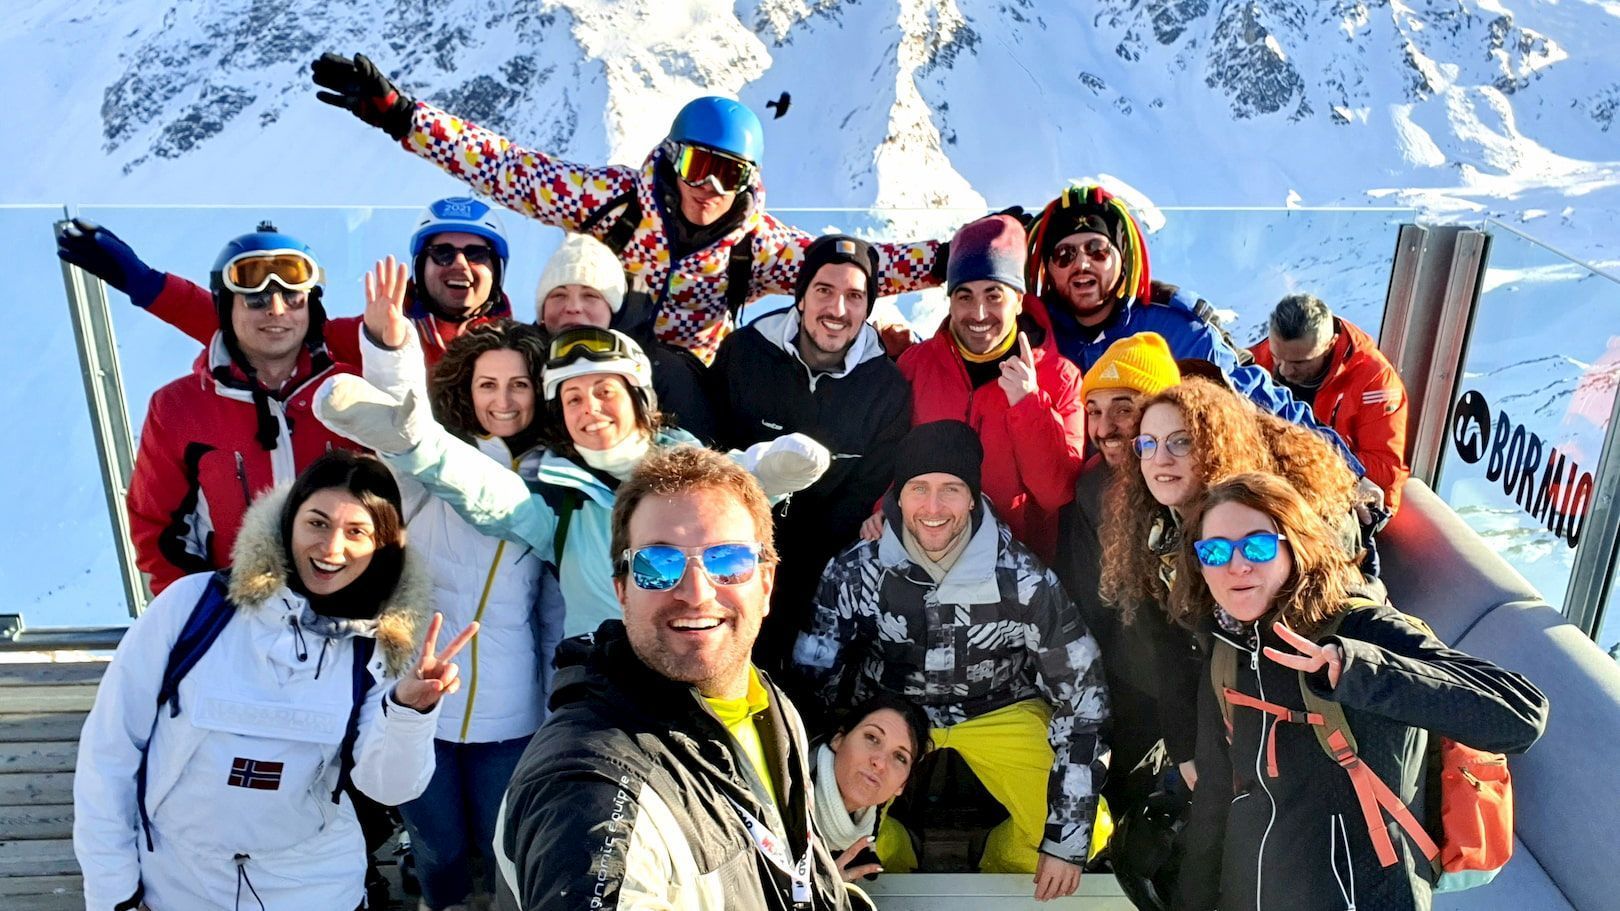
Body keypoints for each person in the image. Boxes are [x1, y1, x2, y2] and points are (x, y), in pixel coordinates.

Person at [310, 52, 944, 364]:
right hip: (587, 360)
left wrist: (959, 257)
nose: (711, 190)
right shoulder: (615, 203)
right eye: (699, 166)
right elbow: (507, 169)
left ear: (750, 182)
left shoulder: (758, 248)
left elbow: (861, 269)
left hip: (678, 381)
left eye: (731, 176)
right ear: (671, 159)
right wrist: (400, 116)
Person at [73, 450, 476, 911]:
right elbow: (109, 754)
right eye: (317, 523)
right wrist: (113, 894)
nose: (331, 549)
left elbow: (388, 788)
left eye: (357, 532)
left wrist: (410, 712)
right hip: (178, 880)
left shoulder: (381, 644)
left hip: (312, 885)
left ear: (382, 546)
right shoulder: (193, 608)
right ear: (289, 521)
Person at [494, 445, 870, 909]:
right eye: (658, 565)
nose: (696, 592)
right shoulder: (589, 789)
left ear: (766, 583)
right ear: (622, 591)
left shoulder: (765, 702)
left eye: (728, 561)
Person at [1171, 472, 1548, 911]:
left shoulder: (1363, 628)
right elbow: (1217, 796)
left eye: (1257, 546)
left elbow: (1520, 714)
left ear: (1295, 546)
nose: (1236, 566)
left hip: (1365, 893)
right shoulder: (1227, 649)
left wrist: (1358, 670)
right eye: (1214, 551)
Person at [315, 326, 828, 639]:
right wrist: (416, 442)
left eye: (604, 390)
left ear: (638, 399)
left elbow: (726, 503)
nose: (590, 409)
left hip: (699, 671)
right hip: (596, 696)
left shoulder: (689, 475)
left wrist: (762, 476)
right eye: (573, 398)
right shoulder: (562, 502)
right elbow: (492, 493)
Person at [796, 420, 1109, 901]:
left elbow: (1082, 694)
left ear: (972, 497)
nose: (934, 507)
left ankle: (1002, 862)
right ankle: (889, 858)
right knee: (833, 813)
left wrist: (1064, 844)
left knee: (1088, 831)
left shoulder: (1022, 578)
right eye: (918, 489)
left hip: (999, 707)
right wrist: (827, 756)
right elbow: (813, 676)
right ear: (897, 497)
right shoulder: (857, 568)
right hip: (891, 711)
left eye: (951, 489)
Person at [338, 258, 559, 911]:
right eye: (489, 383)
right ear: (466, 386)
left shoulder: (558, 473)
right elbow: (401, 433)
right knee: (436, 851)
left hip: (509, 712)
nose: (504, 398)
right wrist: (388, 346)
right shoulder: (431, 468)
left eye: (520, 384)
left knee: (503, 848)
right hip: (419, 698)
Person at [1098, 377, 1369, 778]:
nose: (1159, 460)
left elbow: (1320, 614)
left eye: (1181, 442)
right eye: (1148, 444)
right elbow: (1167, 643)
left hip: (1303, 693)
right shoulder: (1156, 528)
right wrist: (1185, 744)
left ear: (1215, 447)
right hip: (1223, 680)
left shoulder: (1277, 519)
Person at [1021, 184, 1369, 479]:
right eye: (1064, 255)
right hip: (1067, 508)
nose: (1081, 264)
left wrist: (1346, 471)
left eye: (1097, 250)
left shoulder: (1177, 330)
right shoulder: (1031, 335)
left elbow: (1259, 401)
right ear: (1048, 268)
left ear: (1122, 257)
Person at [92, 221, 360, 594]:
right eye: (256, 299)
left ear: (312, 306)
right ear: (225, 307)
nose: (277, 310)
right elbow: (156, 527)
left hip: (356, 609)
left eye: (293, 296)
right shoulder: (179, 407)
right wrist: (199, 608)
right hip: (237, 611)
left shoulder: (355, 389)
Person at [709, 234, 912, 668]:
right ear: (801, 297)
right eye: (824, 290)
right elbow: (713, 451)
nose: (837, 310)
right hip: (732, 552)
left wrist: (802, 579)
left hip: (818, 569)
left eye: (854, 296)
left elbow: (866, 490)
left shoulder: (885, 389)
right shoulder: (746, 354)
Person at [894, 215, 1085, 564]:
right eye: (964, 296)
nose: (978, 312)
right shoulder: (915, 366)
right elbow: (888, 461)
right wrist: (883, 511)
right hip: (922, 560)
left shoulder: (1060, 378)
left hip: (1017, 575)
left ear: (1019, 300)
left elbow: (1056, 493)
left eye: (993, 295)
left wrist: (1029, 404)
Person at [1053, 332, 1189, 815]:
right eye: (1094, 410)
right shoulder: (1093, 490)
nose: (1106, 428)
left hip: (1209, 678)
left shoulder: (1208, 487)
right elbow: (1092, 605)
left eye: (1124, 408)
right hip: (1134, 679)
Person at [534, 231, 717, 442]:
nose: (573, 307)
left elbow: (701, 455)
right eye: (559, 295)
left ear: (614, 309)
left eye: (590, 295)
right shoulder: (522, 365)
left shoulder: (665, 371)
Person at [1250, 293, 1411, 511]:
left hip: (1352, 502)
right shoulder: (1257, 360)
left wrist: (1300, 458)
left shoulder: (1374, 380)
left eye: (1300, 362)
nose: (1285, 370)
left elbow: (1384, 470)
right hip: (1274, 490)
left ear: (1330, 345)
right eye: (1278, 356)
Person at [810, 694, 932, 883]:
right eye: (872, 738)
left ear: (901, 786)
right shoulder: (782, 793)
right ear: (838, 740)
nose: (880, 763)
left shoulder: (870, 823)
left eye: (900, 757)